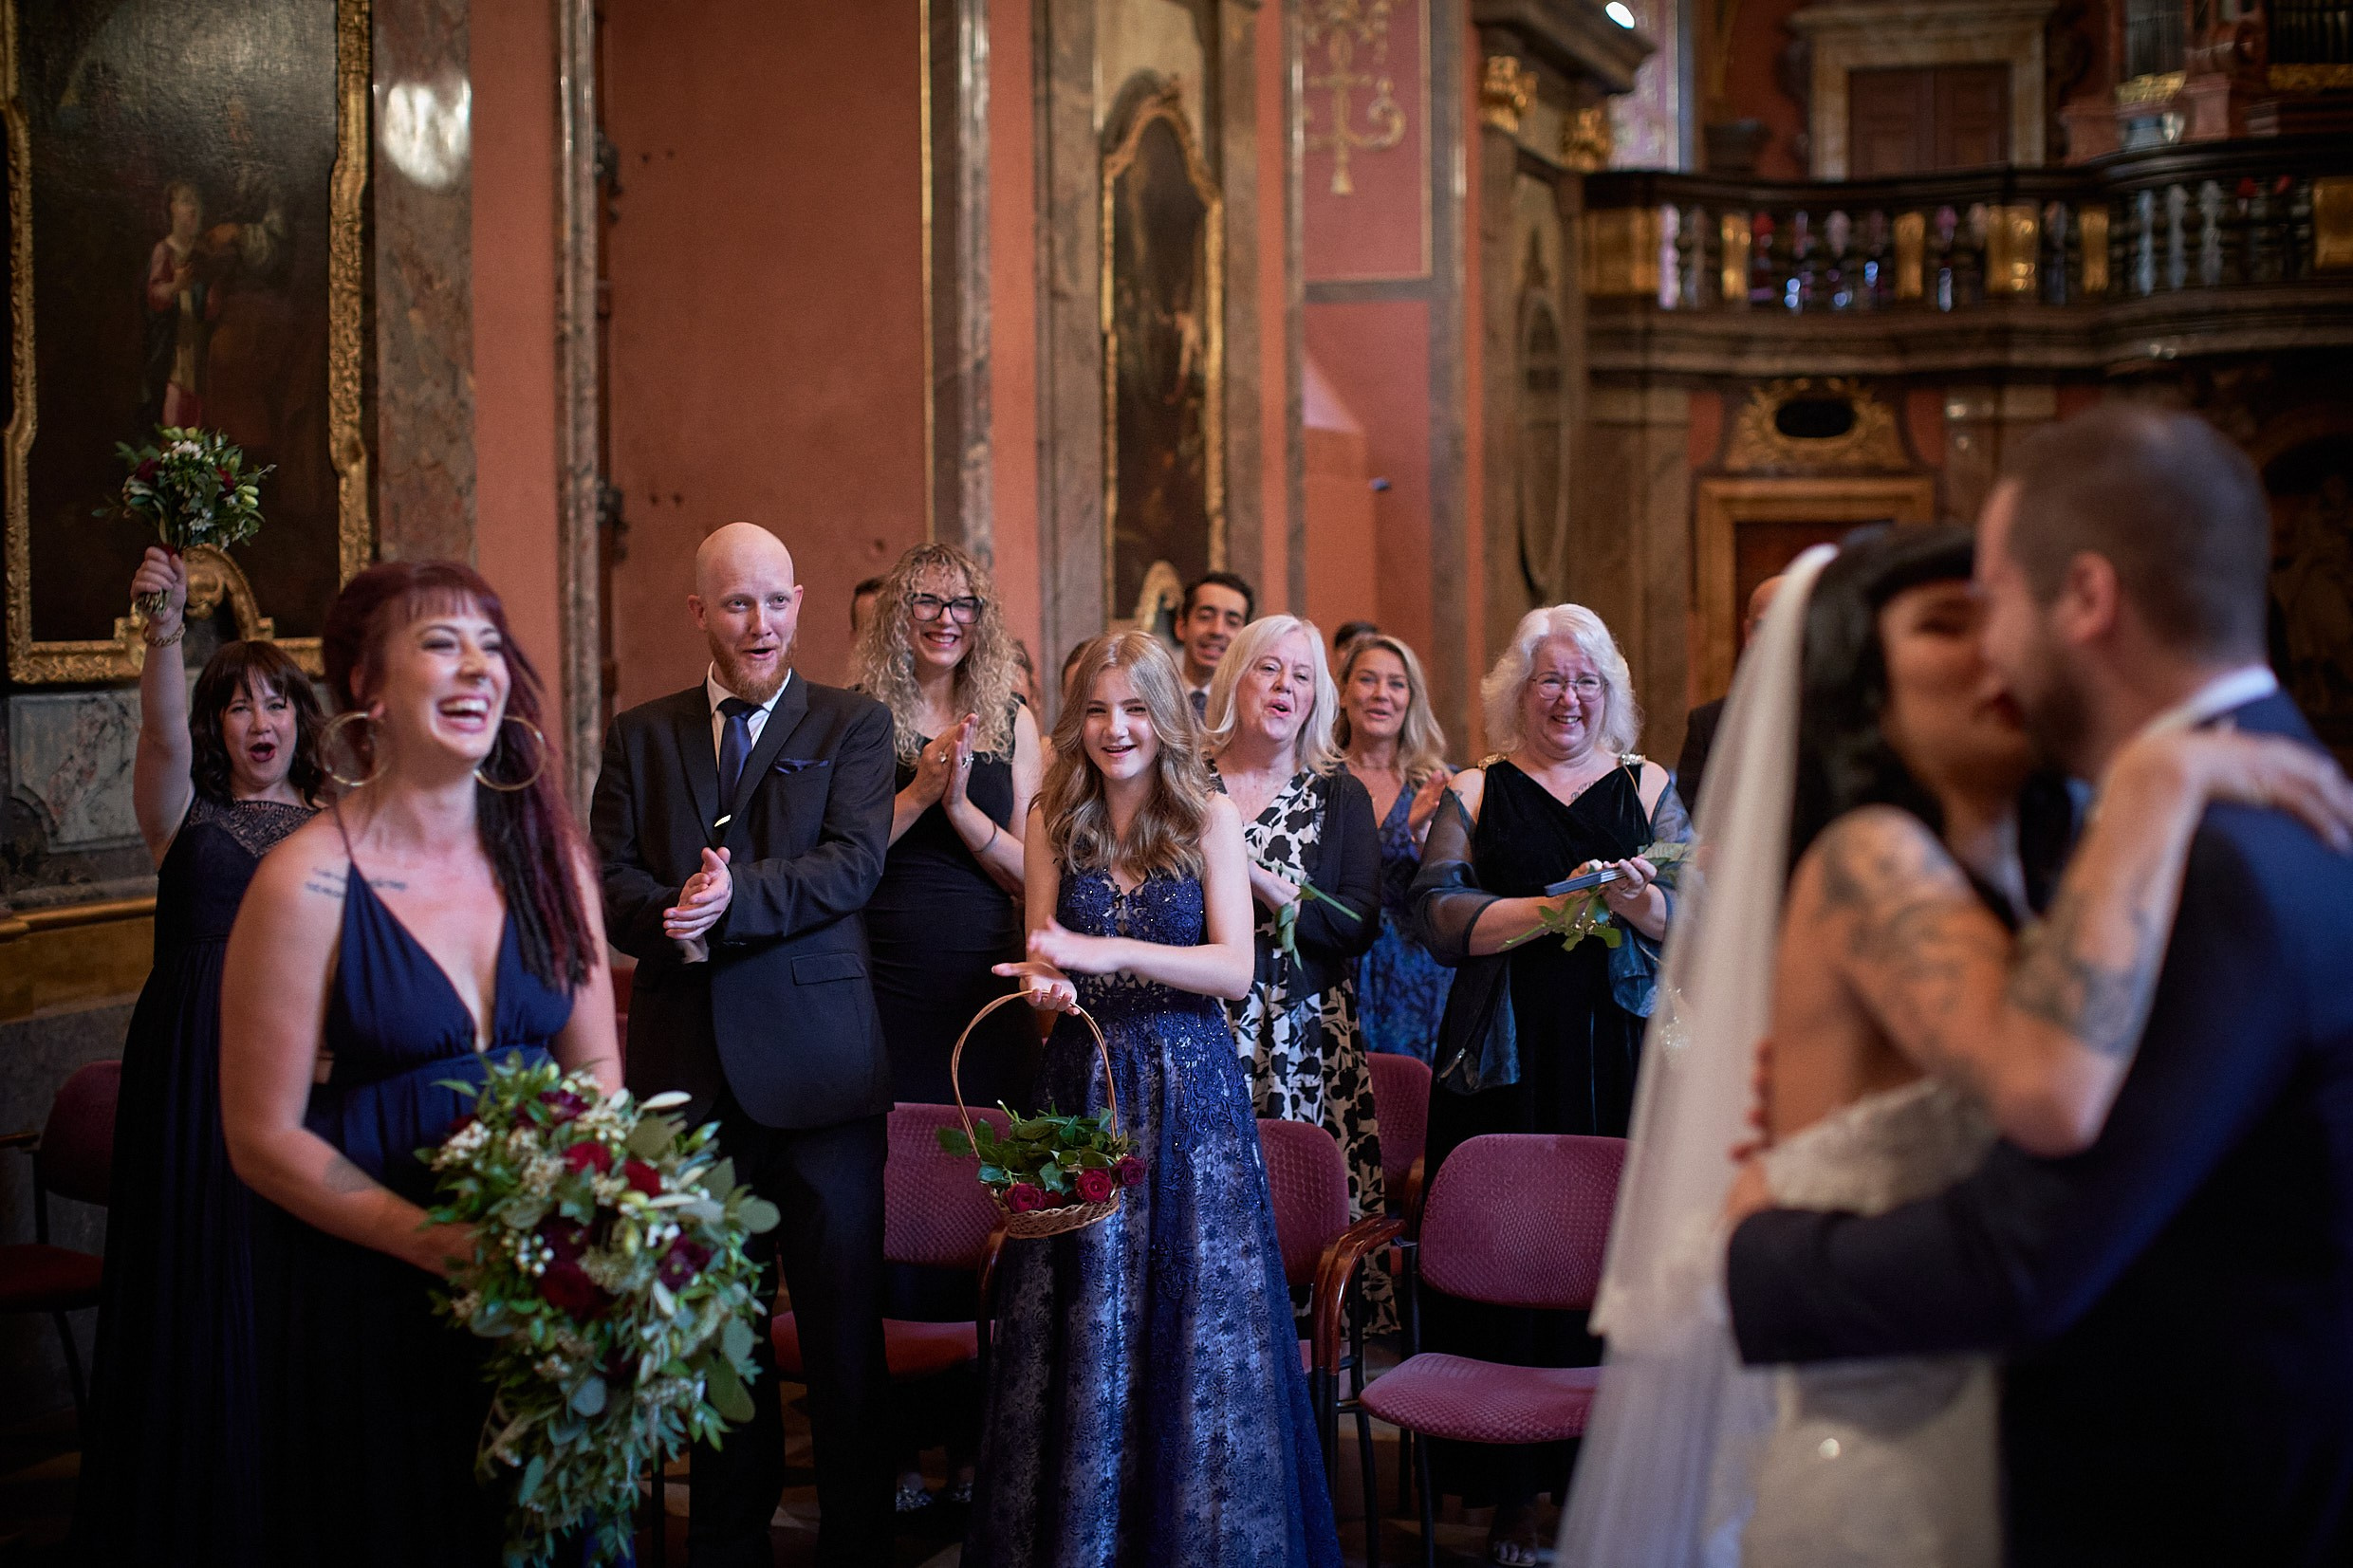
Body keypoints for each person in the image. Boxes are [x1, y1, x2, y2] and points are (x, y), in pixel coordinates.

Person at [1557, 527, 2353, 1568]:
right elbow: (2045, 1087)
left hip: (2018, 1424)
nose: (1997, 651)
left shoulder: (2043, 879)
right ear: (1861, 688)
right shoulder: (1872, 857)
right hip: (1893, 1447)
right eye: (1946, 626)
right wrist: (2152, 786)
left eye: (1997, 619)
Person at [219, 562, 622, 1565]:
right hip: (370, 1294)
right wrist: (443, 1246)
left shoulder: (553, 861)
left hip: (535, 1292)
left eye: (491, 645)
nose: (478, 666)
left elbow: (597, 1074)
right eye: (442, 643)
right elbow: (261, 1137)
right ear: (367, 683)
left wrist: (594, 1221)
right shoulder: (305, 880)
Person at [965, 632, 1343, 1568]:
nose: (1115, 727)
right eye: (1097, 710)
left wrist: (1113, 952)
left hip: (1190, 1096)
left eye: (1134, 708)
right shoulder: (1053, 816)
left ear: (1166, 718)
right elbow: (1046, 960)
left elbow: (1234, 969)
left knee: (1193, 1324)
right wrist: (1051, 983)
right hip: (1083, 1083)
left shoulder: (1208, 815)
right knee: (1083, 1319)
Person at [592, 521, 896, 1566]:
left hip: (822, 1084)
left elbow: (853, 864)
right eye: (735, 604)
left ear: (798, 605)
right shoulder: (640, 734)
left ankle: (859, 1548)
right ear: (699, 614)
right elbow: (609, 879)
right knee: (717, 1340)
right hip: (689, 1080)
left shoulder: (855, 724)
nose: (759, 624)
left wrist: (732, 900)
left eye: (774, 602)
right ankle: (725, 1547)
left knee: (842, 1340)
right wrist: (665, 913)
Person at [1410, 603, 1692, 1565]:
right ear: (1516, 692)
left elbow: (1695, 916)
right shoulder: (1474, 788)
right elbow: (1438, 917)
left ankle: (1620, 1482)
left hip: (1624, 1055)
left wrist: (1638, 902)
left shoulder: (1647, 785)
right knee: (1511, 1252)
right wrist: (1552, 908)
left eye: (1585, 682)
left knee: (1621, 1254)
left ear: (1608, 693)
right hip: (1506, 1060)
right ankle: (1511, 1495)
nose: (1568, 698)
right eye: (1549, 681)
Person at [74, 548, 324, 1566]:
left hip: (297, 1066)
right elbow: (159, 731)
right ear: (216, 726)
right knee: (190, 1282)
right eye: (238, 705)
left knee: (279, 1286)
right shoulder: (182, 814)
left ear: (301, 719)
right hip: (187, 1072)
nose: (260, 720)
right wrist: (167, 631)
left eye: (277, 701)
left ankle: (276, 1509)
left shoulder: (335, 826)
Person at [1203, 617, 1383, 1225]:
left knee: (1296, 1216)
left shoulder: (1340, 794)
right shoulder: (1184, 783)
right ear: (1236, 679)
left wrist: (1258, 881)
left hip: (1301, 1031)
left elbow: (1357, 925)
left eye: (1302, 676)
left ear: (1316, 699)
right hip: (1196, 1022)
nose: (1285, 685)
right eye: (1269, 668)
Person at [855, 542, 1043, 1112]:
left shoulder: (1013, 719)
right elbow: (841, 857)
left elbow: (1032, 875)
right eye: (927, 602)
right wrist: (920, 794)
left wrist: (960, 808)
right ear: (898, 613)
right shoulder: (856, 716)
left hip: (986, 973)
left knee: (995, 1145)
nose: (946, 619)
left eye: (963, 604)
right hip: (883, 975)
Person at [1337, 633, 1454, 1061]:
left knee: (1412, 1096)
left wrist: (1422, 833)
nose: (1381, 694)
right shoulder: (1315, 779)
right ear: (1343, 692)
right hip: (1334, 970)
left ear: (1411, 699)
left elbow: (1457, 890)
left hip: (1416, 979)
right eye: (1367, 679)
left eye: (1397, 684)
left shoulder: (1439, 783)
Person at [1675, 572, 1782, 824]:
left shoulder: (1840, 721)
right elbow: (1688, 824)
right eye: (1763, 627)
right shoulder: (1708, 723)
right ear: (1748, 633)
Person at [1176, 570, 1253, 716]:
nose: (1217, 631)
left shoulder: (1250, 712)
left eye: (1232, 622)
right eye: (1205, 617)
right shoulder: (1151, 700)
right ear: (1181, 626)